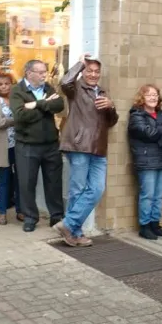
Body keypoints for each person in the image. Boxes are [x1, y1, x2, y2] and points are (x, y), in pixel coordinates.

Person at [55, 54, 119, 246]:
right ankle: (74, 232)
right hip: (79, 144)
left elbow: (111, 122)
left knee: (97, 189)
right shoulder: (75, 88)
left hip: (99, 147)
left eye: (96, 71)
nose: (93, 74)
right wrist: (79, 63)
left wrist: (111, 106)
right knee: (78, 190)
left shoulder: (102, 92)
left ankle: (68, 224)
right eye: (89, 70)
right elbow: (64, 81)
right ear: (83, 72)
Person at [11, 59, 66, 233]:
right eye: (40, 72)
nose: (44, 75)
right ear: (29, 73)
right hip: (27, 145)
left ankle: (56, 216)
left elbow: (59, 105)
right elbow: (20, 116)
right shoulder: (17, 91)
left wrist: (36, 104)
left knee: (54, 182)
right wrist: (45, 106)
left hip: (50, 144)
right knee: (27, 183)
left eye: (45, 71)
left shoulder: (49, 88)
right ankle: (30, 217)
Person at [128, 85, 162, 240]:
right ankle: (145, 226)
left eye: (155, 95)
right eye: (149, 95)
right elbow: (147, 133)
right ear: (142, 98)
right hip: (146, 161)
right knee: (147, 195)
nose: (153, 98)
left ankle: (155, 225)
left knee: (159, 195)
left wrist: (158, 134)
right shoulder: (136, 115)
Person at [0, 71, 21, 225]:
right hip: (4, 145)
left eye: (7, 83)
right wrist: (18, 119)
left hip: (20, 143)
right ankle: (2, 211)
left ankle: (21, 210)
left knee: (20, 179)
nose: (4, 86)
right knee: (4, 179)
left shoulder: (17, 98)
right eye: (0, 84)